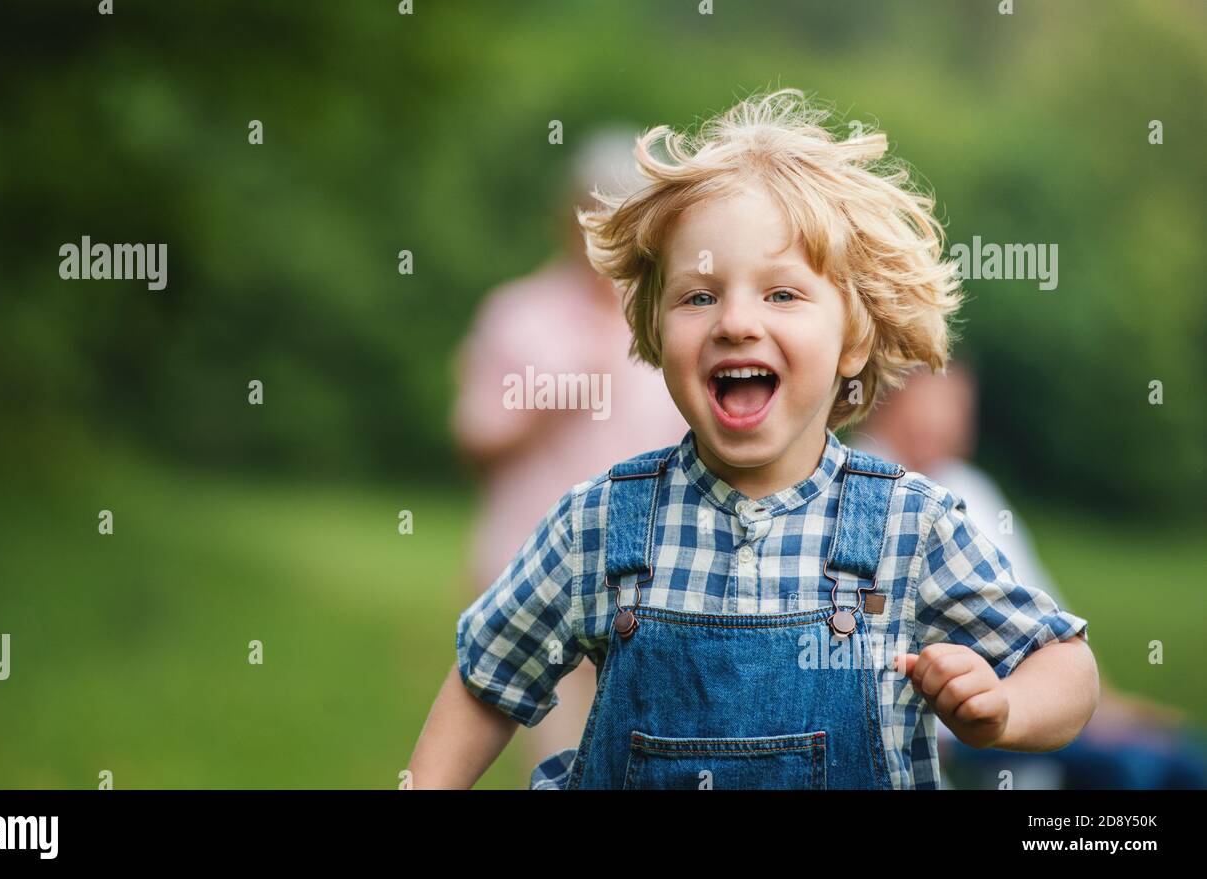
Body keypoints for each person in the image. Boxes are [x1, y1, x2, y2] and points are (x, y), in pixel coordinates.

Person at [409, 88, 1097, 789]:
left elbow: (1066, 664)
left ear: (852, 339)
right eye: (699, 295)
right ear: (652, 327)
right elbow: (486, 675)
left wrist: (1005, 705)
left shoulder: (909, 526)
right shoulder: (598, 524)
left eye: (781, 294)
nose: (735, 320)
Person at [449, 128, 688, 772]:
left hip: (651, 576)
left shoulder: (674, 319)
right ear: (569, 216)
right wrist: (553, 401)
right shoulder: (519, 315)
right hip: (531, 569)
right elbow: (475, 440)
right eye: (596, 210)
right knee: (568, 756)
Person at [854, 363, 1207, 789]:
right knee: (1133, 771)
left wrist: (1111, 709)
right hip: (957, 728)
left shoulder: (972, 488)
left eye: (959, 409)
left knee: (1184, 760)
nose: (946, 423)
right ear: (891, 404)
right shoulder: (871, 492)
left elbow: (1050, 624)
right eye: (933, 405)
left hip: (1027, 700)